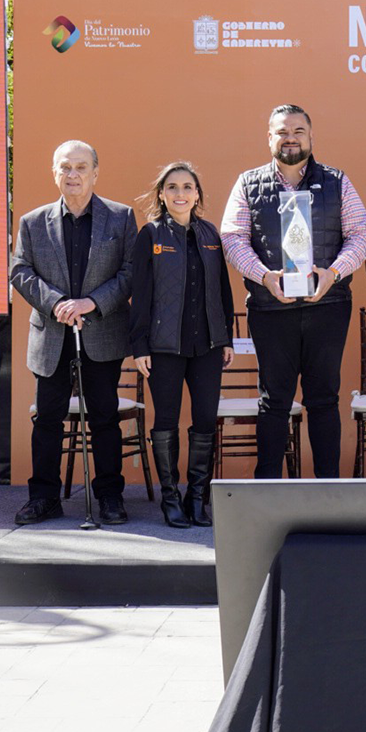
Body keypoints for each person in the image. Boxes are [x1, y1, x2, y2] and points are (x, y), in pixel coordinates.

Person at [221, 104, 366, 478]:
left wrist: (333, 273)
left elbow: (360, 235)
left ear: (311, 136)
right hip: (270, 309)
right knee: (273, 402)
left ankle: (327, 491)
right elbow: (233, 238)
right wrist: (263, 276)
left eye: (298, 131)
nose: (290, 138)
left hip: (328, 306)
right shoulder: (248, 183)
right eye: (282, 132)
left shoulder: (338, 181)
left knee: (324, 400)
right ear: (269, 137)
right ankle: (268, 489)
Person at [10, 140, 137, 525]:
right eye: (65, 167)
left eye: (81, 167)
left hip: (101, 332)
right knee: (47, 419)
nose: (73, 174)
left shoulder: (121, 217)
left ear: (95, 173)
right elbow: (20, 271)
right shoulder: (33, 222)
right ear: (54, 173)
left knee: (104, 418)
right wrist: (57, 304)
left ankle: (110, 497)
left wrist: (91, 303)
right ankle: (44, 497)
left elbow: (131, 272)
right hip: (51, 335)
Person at [129, 162, 235, 527]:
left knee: (205, 419)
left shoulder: (210, 234)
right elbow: (140, 293)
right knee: (166, 420)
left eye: (188, 187)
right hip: (163, 347)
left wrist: (226, 337)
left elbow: (222, 289)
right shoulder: (151, 235)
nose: (180, 193)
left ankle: (196, 499)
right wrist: (140, 345)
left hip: (208, 346)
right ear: (161, 194)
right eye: (172, 187)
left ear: (197, 194)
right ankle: (171, 498)